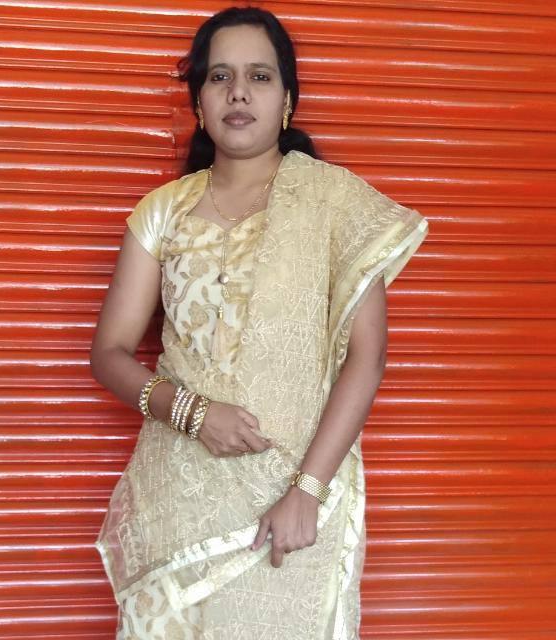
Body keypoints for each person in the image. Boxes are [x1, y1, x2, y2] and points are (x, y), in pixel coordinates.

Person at [91, 6, 429, 640]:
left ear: (287, 101)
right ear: (199, 104)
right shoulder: (162, 212)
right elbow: (109, 352)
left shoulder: (335, 204)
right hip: (179, 499)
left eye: (259, 76)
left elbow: (368, 356)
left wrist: (308, 490)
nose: (238, 92)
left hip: (296, 502)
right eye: (219, 77)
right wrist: (191, 413)